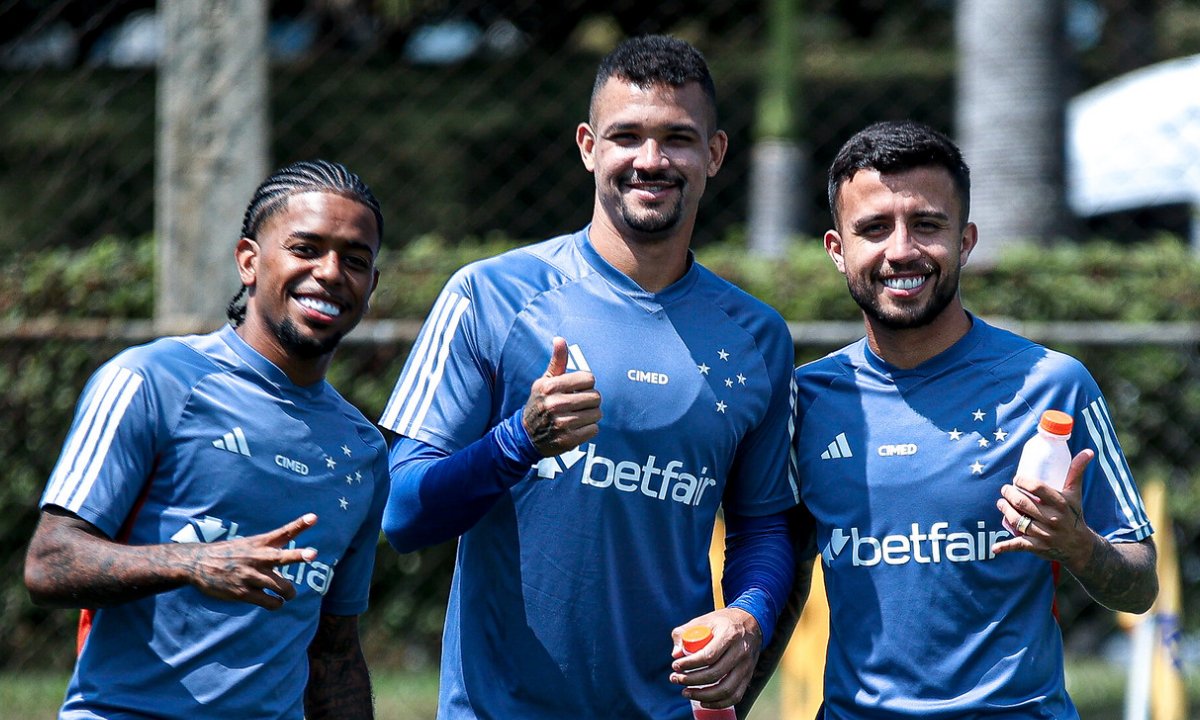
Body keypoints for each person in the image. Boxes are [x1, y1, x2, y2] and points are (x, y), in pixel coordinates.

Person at [377, 35, 798, 718]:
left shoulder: (756, 337)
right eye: (626, 136)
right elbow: (401, 513)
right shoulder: (491, 296)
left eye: (678, 139)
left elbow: (761, 524)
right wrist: (517, 441)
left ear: (715, 154)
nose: (651, 160)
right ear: (587, 146)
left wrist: (748, 614)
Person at [749, 120, 1159, 718]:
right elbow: (782, 578)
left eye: (927, 225)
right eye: (873, 228)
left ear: (965, 240)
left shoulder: (1052, 385)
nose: (901, 251)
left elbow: (1142, 583)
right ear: (838, 251)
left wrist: (1078, 545)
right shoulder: (806, 400)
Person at [23, 159, 390, 720]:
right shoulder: (152, 380)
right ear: (249, 260)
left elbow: (335, 652)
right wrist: (193, 563)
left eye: (355, 260)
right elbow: (49, 563)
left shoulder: (363, 450)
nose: (331, 271)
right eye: (306, 248)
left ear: (371, 287)